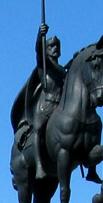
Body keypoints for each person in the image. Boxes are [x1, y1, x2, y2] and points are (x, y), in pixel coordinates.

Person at [11, 24, 66, 180]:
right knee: (39, 129)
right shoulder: (44, 67)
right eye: (51, 46)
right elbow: (38, 51)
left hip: (61, 108)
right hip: (47, 106)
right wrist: (39, 36)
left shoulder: (63, 71)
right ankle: (39, 166)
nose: (54, 49)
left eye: (57, 46)